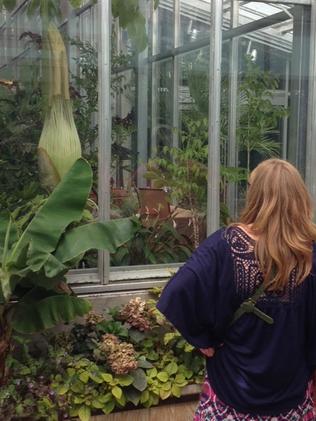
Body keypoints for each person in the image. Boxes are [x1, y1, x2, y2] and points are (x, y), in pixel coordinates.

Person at [157, 159, 316, 420]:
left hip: (230, 391)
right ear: (299, 196)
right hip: (291, 397)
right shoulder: (309, 252)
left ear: (255, 195)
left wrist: (202, 339)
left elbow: (178, 292)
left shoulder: (225, 243)